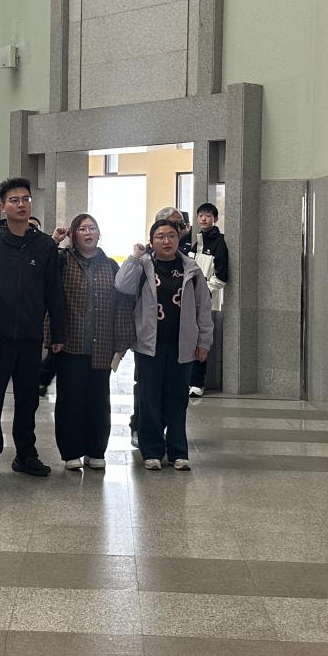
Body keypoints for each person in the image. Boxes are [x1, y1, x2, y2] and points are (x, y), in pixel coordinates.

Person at [0, 177, 65, 481]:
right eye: (14, 200)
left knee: (28, 399)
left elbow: (53, 291)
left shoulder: (44, 245)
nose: (21, 204)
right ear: (3, 206)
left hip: (30, 335)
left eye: (26, 199)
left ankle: (25, 454)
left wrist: (57, 334)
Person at [116, 218, 212, 471]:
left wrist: (204, 341)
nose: (166, 241)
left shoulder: (191, 269)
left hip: (183, 345)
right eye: (160, 236)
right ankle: (152, 451)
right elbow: (121, 285)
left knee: (177, 399)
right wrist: (134, 257)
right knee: (149, 399)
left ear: (179, 239)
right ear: (151, 241)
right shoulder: (143, 265)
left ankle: (178, 451)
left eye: (171, 235)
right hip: (149, 345)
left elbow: (203, 308)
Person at [51, 214, 134, 470]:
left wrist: (122, 342)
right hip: (70, 343)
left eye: (92, 228)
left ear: (99, 234)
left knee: (98, 400)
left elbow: (122, 305)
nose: (88, 232)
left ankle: (96, 450)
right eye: (82, 229)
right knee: (70, 400)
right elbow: (52, 299)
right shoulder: (63, 260)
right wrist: (53, 335)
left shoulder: (110, 265)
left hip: (102, 345)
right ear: (73, 235)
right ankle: (71, 452)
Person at [129, 206, 188, 448]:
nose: (178, 230)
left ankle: (169, 437)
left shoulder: (186, 260)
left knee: (173, 392)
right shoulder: (146, 259)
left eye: (178, 227)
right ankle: (141, 428)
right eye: (172, 225)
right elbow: (123, 286)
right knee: (146, 389)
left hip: (178, 341)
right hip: (149, 339)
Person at [182, 202, 229, 398]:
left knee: (201, 340)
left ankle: (197, 383)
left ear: (215, 219)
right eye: (201, 215)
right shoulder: (196, 241)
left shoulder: (219, 243)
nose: (203, 218)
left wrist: (204, 292)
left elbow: (222, 276)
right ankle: (188, 381)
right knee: (190, 339)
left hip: (207, 301)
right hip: (189, 299)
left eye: (208, 215)